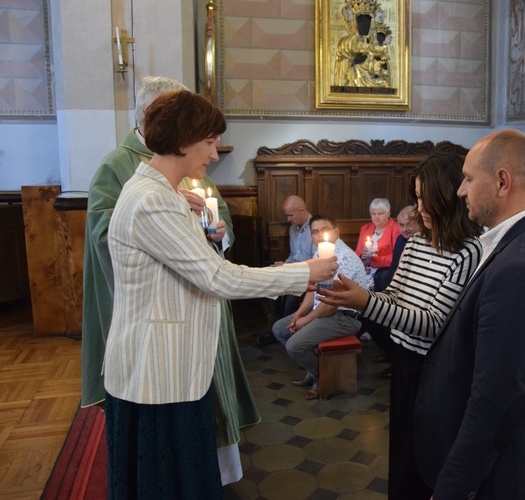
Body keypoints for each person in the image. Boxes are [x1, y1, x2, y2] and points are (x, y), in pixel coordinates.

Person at [103, 90, 337, 498]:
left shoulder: (160, 193)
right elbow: (218, 278)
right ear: (182, 141)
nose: (214, 155)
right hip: (158, 370)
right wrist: (303, 272)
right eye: (209, 142)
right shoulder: (153, 201)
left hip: (170, 365)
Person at [80, 76, 252, 484]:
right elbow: (107, 234)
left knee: (200, 404)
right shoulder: (122, 167)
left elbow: (220, 214)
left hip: (199, 303)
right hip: (163, 316)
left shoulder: (185, 162)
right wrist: (173, 229)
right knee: (167, 439)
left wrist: (215, 230)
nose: (211, 152)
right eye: (206, 139)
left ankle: (209, 473)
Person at [411, 130, 525, 499]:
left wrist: (454, 487)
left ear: (502, 181)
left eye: (467, 179)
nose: (461, 191)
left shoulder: (520, 267)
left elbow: (495, 399)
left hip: (501, 472)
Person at [319, 153, 482, 499]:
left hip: (434, 369)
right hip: (405, 362)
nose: (420, 207)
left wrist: (364, 303)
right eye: (418, 197)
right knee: (403, 455)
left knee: (428, 459)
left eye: (427, 198)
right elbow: (394, 296)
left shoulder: (468, 252)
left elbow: (433, 324)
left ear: (451, 196)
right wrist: (360, 295)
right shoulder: (417, 243)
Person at [272, 214, 368, 400]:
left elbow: (331, 304)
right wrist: (298, 314)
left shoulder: (344, 258)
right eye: (315, 232)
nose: (319, 235)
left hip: (344, 316)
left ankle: (321, 376)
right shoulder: (320, 254)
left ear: (336, 231)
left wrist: (306, 321)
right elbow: (312, 290)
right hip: (324, 312)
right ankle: (313, 368)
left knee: (294, 346)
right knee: (279, 329)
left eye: (325, 230)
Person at [257, 195, 313, 346]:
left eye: (291, 215)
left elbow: (316, 261)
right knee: (268, 282)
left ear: (302, 210)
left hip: (308, 274)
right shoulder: (293, 229)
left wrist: (290, 267)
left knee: (292, 297)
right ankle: (276, 325)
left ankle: (282, 330)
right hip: (293, 270)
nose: (288, 219)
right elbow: (294, 255)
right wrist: (284, 264)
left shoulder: (315, 228)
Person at [368, 204, 419, 370]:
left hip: (410, 297)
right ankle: (389, 352)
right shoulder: (400, 240)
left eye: (409, 224)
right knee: (371, 317)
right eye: (402, 225)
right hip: (393, 289)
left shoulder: (421, 243)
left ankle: (395, 361)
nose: (405, 229)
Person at [355, 197, 400, 291]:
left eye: (380, 213)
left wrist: (373, 261)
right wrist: (362, 255)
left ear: (388, 214)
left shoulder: (396, 228)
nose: (376, 217)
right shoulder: (365, 228)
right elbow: (357, 252)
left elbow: (397, 256)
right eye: (373, 214)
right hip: (365, 269)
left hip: (384, 270)